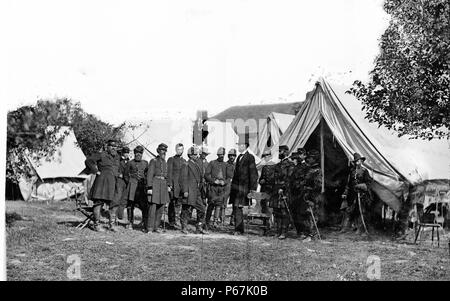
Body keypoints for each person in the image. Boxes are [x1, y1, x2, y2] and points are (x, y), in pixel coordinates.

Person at [84, 139, 121, 232]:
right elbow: (88, 161)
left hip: (113, 183)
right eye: (112, 146)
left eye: (115, 146)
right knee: (98, 203)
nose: (113, 148)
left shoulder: (117, 157)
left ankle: (111, 225)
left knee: (114, 203)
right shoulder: (102, 154)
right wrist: (96, 171)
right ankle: (97, 225)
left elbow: (119, 168)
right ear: (107, 146)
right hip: (102, 183)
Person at [229, 135, 258, 235]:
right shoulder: (238, 157)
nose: (239, 146)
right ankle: (238, 229)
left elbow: (254, 174)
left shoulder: (250, 157)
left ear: (245, 145)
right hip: (236, 189)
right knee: (236, 208)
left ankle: (238, 230)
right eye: (238, 144)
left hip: (244, 189)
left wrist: (252, 190)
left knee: (238, 208)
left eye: (240, 145)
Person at [340, 152, 373, 237]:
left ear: (361, 161)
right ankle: (346, 227)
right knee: (349, 210)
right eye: (356, 161)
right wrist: (345, 193)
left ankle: (361, 229)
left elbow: (369, 182)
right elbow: (348, 184)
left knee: (361, 211)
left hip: (362, 195)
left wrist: (362, 186)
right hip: (352, 194)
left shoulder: (365, 171)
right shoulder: (351, 171)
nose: (357, 163)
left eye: (358, 161)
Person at [180, 147, 208, 234]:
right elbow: (183, 179)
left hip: (197, 192)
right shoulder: (186, 164)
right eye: (195, 154)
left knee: (202, 209)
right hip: (189, 191)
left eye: (197, 154)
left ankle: (199, 227)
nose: (197, 156)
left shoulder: (196, 165)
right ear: (190, 155)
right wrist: (185, 191)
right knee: (186, 210)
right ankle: (184, 227)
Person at [204, 147, 233, 230]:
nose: (221, 156)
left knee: (218, 205)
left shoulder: (226, 165)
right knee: (211, 204)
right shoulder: (212, 163)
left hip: (222, 188)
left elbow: (229, 177)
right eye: (220, 155)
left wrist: (224, 182)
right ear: (217, 155)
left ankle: (215, 222)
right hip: (213, 187)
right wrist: (213, 181)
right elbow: (206, 175)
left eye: (223, 155)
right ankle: (207, 221)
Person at [270, 145, 295, 239]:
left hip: (285, 191)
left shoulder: (290, 165)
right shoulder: (278, 165)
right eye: (279, 151)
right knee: (277, 211)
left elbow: (289, 179)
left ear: (286, 152)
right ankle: (278, 231)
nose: (279, 153)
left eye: (281, 151)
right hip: (276, 190)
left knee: (284, 211)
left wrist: (283, 188)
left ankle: (284, 232)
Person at [145, 143, 170, 233]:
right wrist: (150, 187)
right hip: (155, 185)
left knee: (161, 208)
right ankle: (150, 228)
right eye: (162, 150)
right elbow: (150, 175)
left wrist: (168, 186)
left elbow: (167, 176)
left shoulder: (165, 162)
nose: (163, 152)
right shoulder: (153, 161)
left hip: (163, 186)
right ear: (158, 151)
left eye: (165, 151)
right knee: (153, 207)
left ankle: (156, 227)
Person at [123, 145, 148, 230]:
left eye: (140, 153)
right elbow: (125, 175)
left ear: (142, 154)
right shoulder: (130, 163)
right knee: (130, 205)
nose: (138, 154)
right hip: (132, 187)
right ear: (134, 153)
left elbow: (147, 174)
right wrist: (130, 182)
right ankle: (130, 222)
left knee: (144, 206)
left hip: (141, 188)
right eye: (136, 153)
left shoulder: (145, 163)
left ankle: (144, 222)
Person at [301, 149, 323, 240]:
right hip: (306, 195)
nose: (308, 159)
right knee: (307, 215)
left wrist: (308, 189)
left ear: (314, 159)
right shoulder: (308, 169)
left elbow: (318, 185)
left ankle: (312, 235)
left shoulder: (317, 170)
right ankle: (308, 233)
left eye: (310, 158)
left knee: (312, 215)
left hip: (313, 196)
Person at [289, 148, 309, 236]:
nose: (299, 156)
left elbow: (306, 179)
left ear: (304, 155)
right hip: (294, 193)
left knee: (302, 212)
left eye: (301, 154)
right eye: (298, 154)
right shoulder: (295, 166)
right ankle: (299, 231)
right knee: (295, 212)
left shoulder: (306, 167)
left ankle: (304, 231)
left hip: (302, 192)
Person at [167, 143, 186, 230]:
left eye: (181, 149)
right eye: (178, 149)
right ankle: (171, 221)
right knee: (172, 203)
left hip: (181, 186)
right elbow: (169, 173)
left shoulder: (184, 161)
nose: (180, 151)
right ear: (175, 150)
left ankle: (177, 220)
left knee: (179, 204)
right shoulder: (171, 159)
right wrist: (169, 184)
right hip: (173, 185)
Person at [258, 149, 276, 232]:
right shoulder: (264, 166)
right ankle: (265, 224)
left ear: (270, 156)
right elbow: (261, 178)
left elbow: (274, 179)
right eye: (264, 156)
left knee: (269, 207)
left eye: (266, 156)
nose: (265, 157)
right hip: (264, 189)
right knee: (264, 206)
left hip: (270, 189)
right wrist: (261, 181)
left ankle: (270, 225)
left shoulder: (274, 166)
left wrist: (266, 181)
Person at [116, 146, 130, 223]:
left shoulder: (129, 161)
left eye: (128, 153)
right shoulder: (118, 160)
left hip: (126, 181)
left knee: (124, 199)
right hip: (120, 180)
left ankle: (120, 215)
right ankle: (115, 215)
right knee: (118, 197)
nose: (127, 154)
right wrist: (118, 174)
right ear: (122, 153)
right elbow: (114, 169)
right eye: (125, 153)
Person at [225, 148, 237, 225]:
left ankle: (233, 219)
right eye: (230, 155)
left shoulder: (237, 165)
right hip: (227, 185)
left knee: (235, 203)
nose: (232, 157)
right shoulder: (225, 164)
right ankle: (220, 219)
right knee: (223, 202)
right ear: (228, 156)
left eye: (233, 156)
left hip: (235, 186)